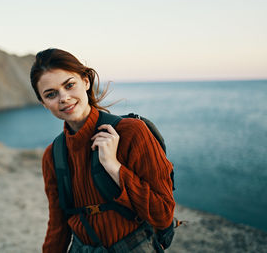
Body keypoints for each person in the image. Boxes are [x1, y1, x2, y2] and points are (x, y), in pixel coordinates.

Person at [30, 48, 175, 252]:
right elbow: (58, 225)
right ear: (44, 104)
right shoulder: (53, 155)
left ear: (86, 82)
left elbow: (163, 214)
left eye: (69, 85)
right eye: (51, 94)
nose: (63, 98)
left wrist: (114, 167)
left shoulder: (132, 132)